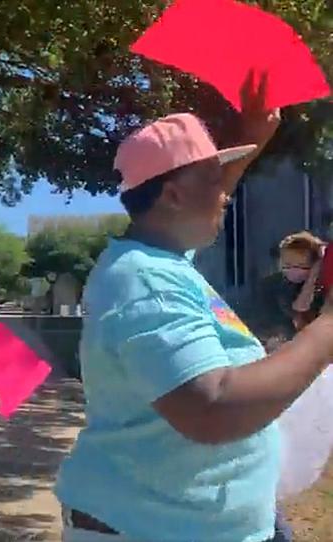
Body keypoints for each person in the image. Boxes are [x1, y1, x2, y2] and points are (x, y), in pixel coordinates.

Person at [54, 78, 333, 542]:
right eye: (211, 180)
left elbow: (207, 192)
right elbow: (212, 408)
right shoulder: (144, 279)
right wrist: (327, 329)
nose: (225, 194)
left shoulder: (159, 259)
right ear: (172, 197)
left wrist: (252, 134)